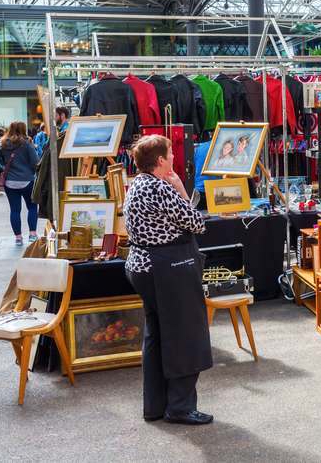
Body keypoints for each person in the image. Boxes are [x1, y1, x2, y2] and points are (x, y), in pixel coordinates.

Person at [123, 134, 212, 426]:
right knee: (184, 336)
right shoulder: (160, 188)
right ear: (160, 160)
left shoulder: (136, 184)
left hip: (143, 267)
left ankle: (155, 405)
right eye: (171, 153)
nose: (174, 157)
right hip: (168, 267)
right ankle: (181, 407)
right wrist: (180, 188)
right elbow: (197, 223)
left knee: (157, 335)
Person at [0, 122, 40, 244]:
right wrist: (31, 172)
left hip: (10, 182)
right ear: (23, 129)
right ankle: (32, 234)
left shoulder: (2, 144)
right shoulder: (27, 143)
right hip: (27, 180)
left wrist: (2, 168)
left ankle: (18, 237)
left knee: (15, 210)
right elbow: (36, 162)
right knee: (32, 207)